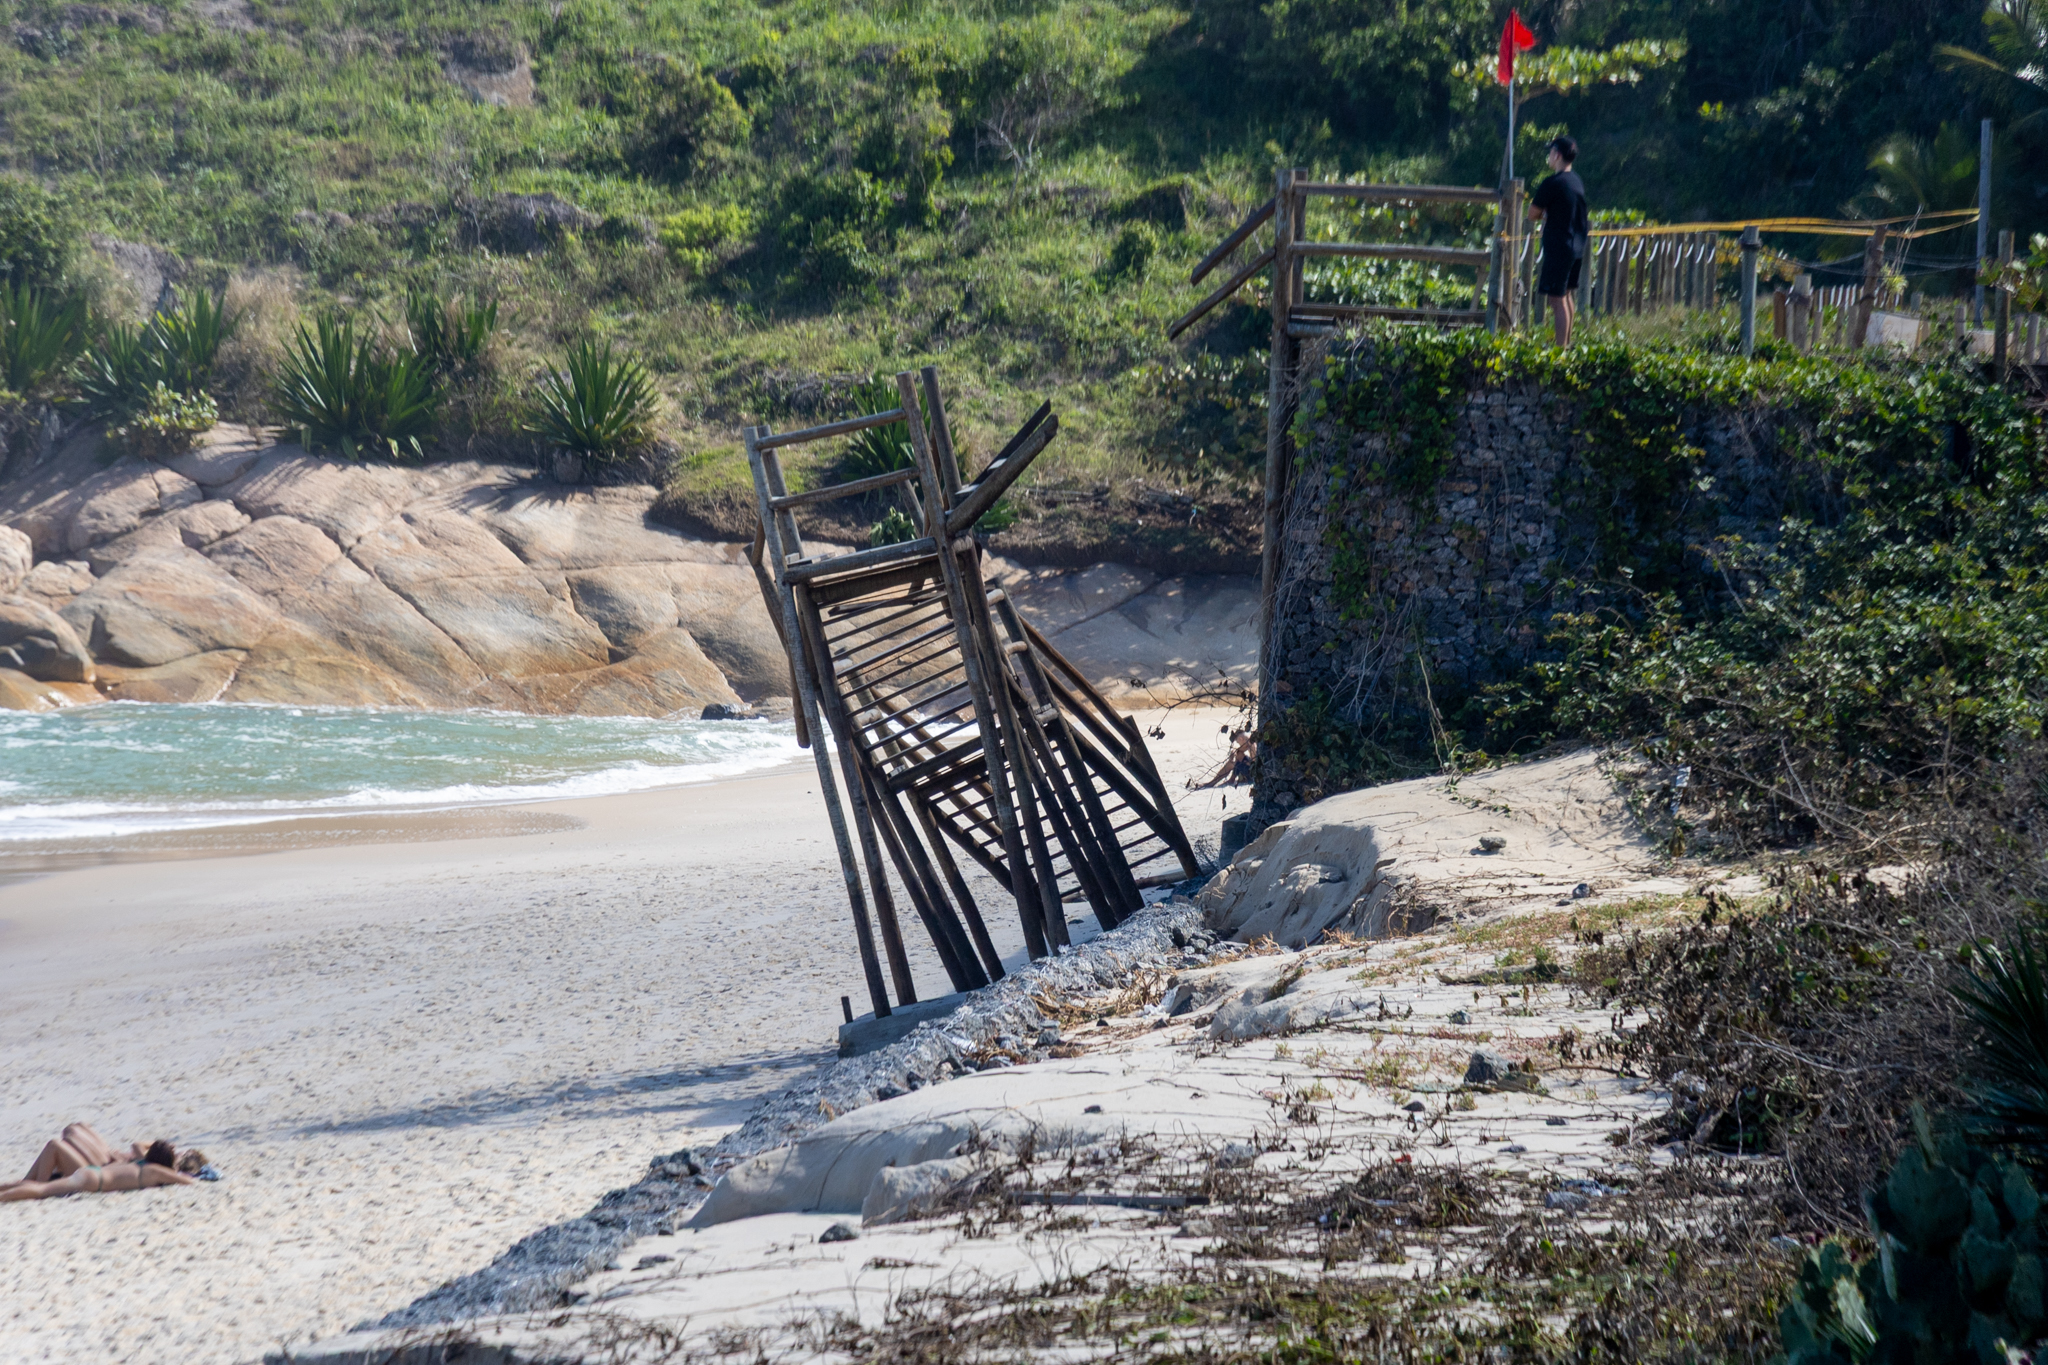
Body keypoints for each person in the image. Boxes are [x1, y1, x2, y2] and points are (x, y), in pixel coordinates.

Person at [1, 1122, 205, 1201]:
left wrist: (164, 1150)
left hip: (92, 1174)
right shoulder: (155, 1171)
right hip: (92, 1180)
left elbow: (138, 1146)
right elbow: (184, 1181)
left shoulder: (143, 1163)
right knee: (40, 1191)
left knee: (39, 1187)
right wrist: (196, 1176)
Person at [1526, 135, 1590, 347]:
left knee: (1556, 299)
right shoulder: (1576, 181)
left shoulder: (1552, 183)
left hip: (1559, 247)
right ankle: (1567, 344)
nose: (1549, 156)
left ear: (1557, 155)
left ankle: (1560, 349)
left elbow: (1532, 213)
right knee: (1566, 295)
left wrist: (1544, 214)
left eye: (1550, 152)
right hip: (1576, 246)